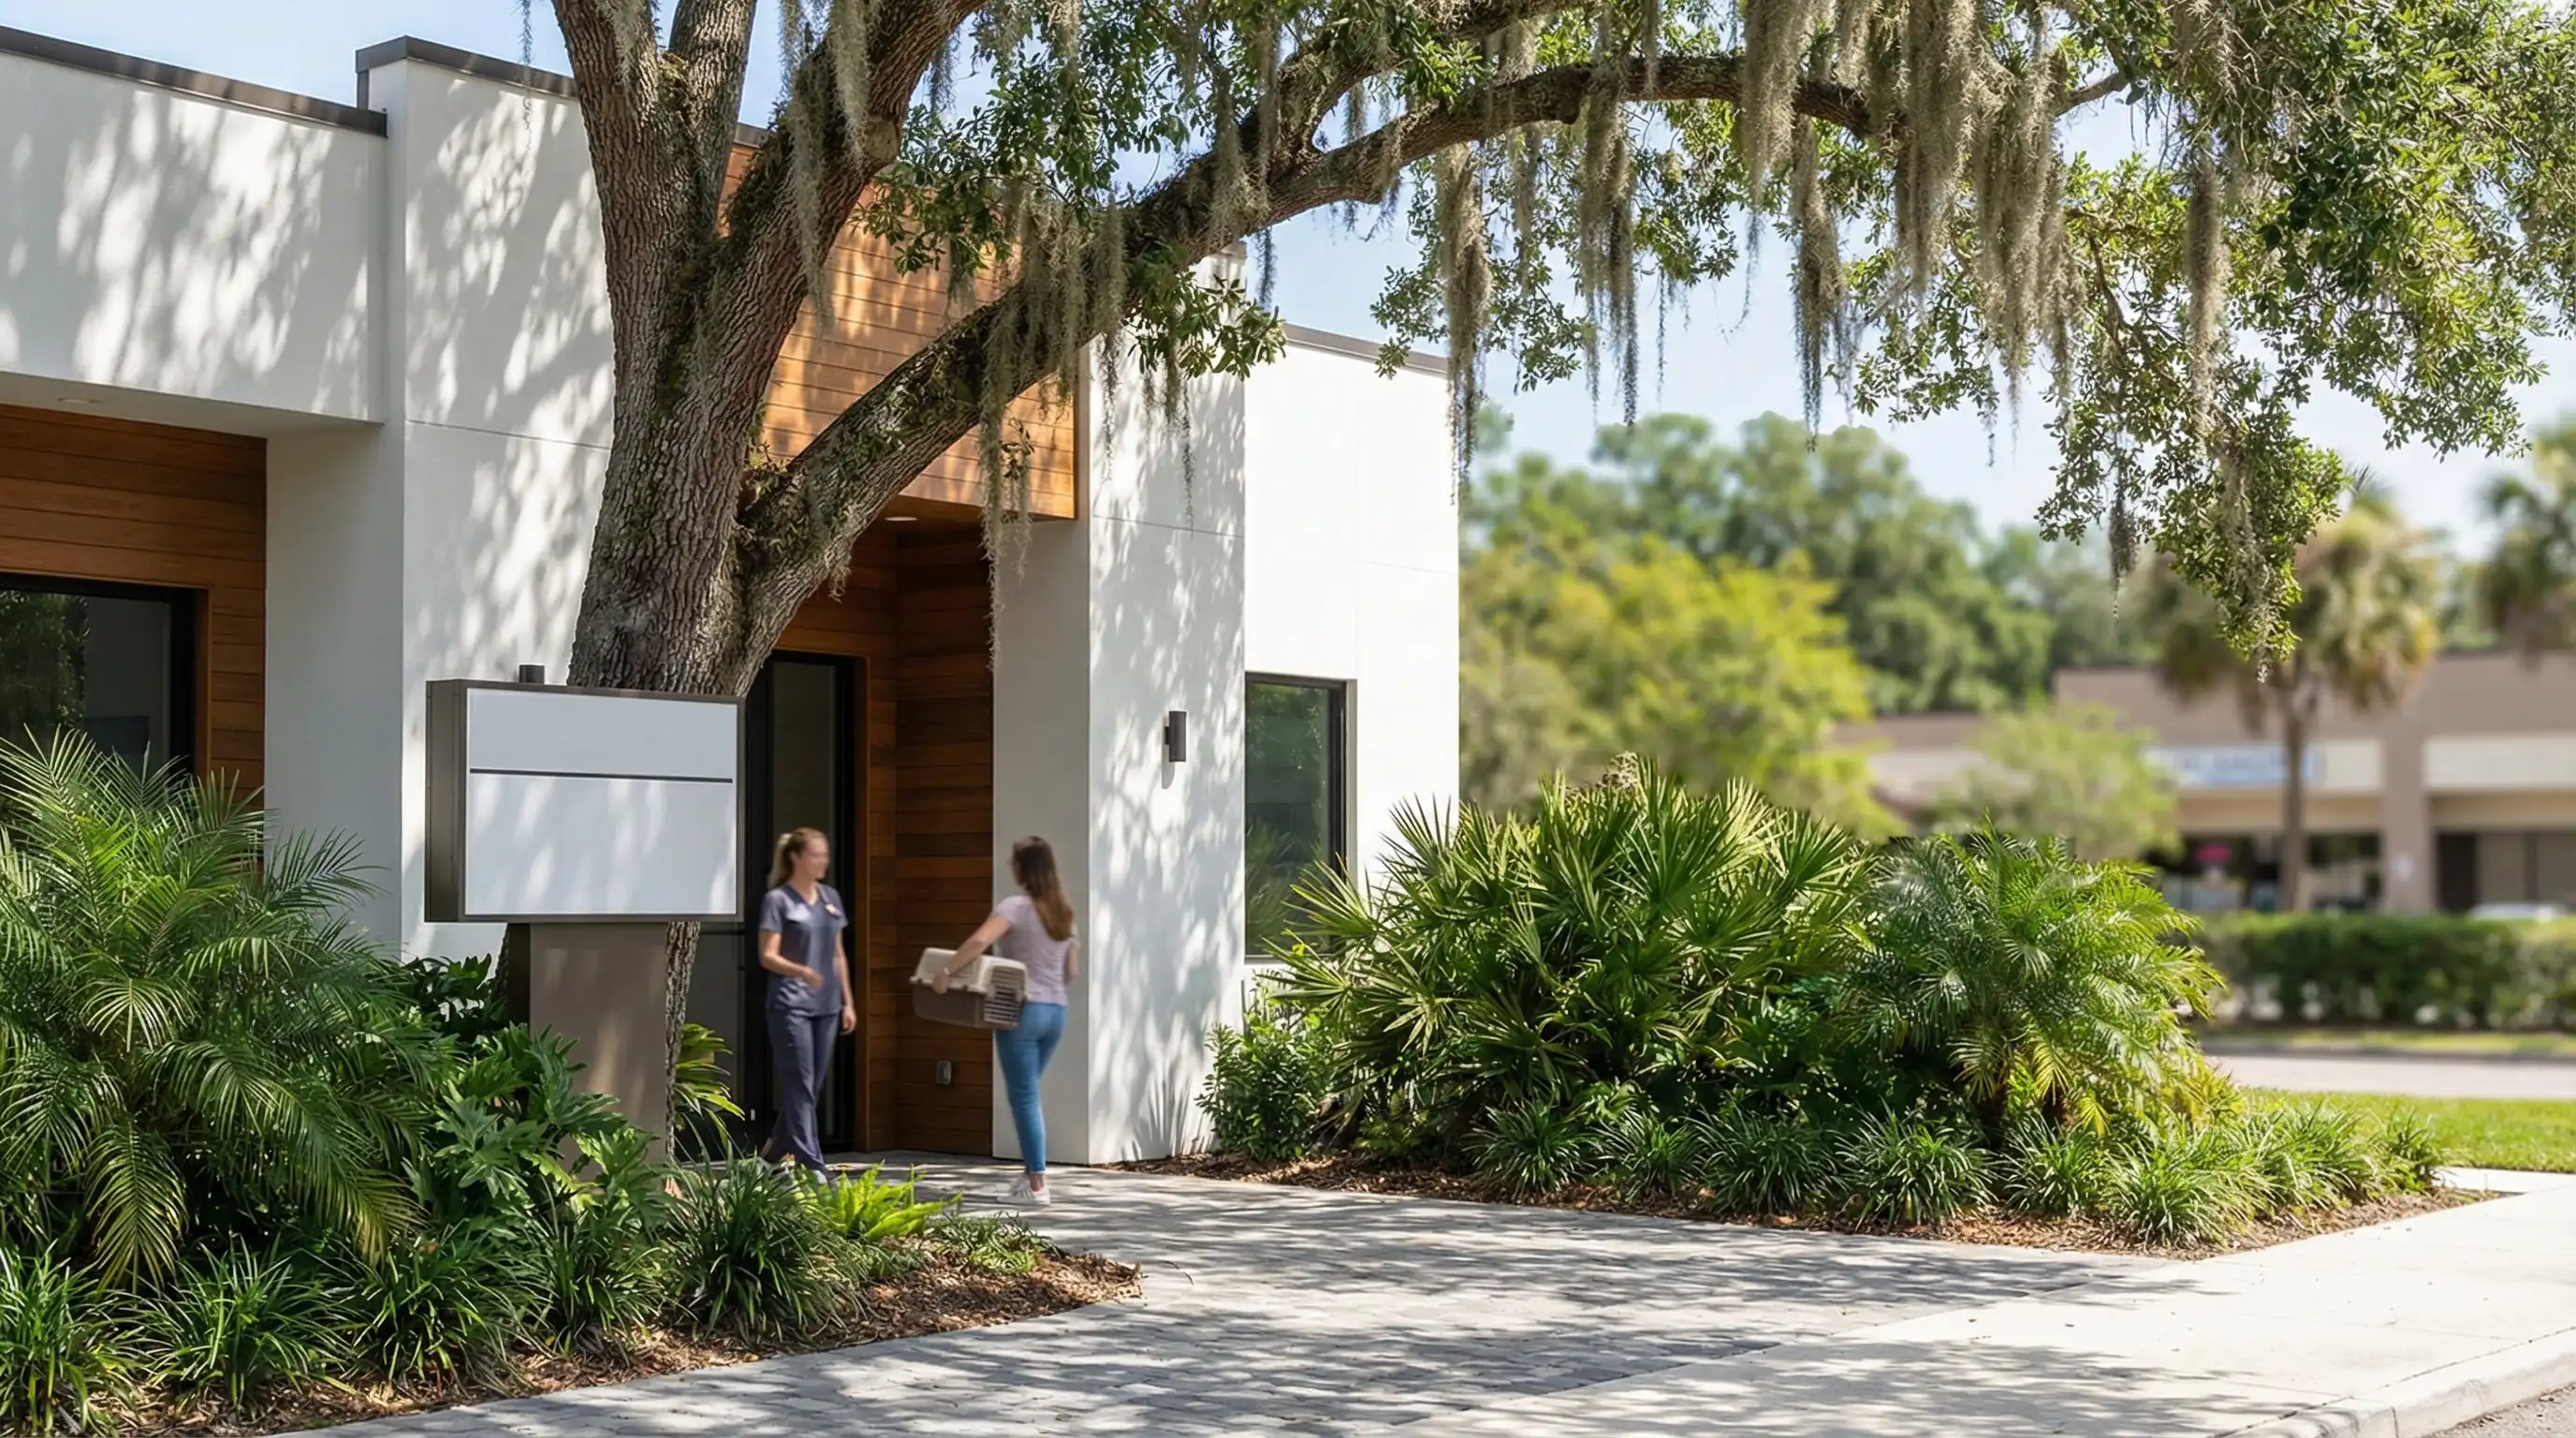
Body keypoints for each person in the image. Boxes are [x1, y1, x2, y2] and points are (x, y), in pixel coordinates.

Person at [935, 836, 1077, 1206]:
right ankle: (1031, 1178)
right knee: (1027, 1093)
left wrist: (947, 971)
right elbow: (1071, 972)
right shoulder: (1064, 912)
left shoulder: (1015, 907)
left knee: (1024, 1096)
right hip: (1056, 1014)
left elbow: (980, 941)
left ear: (1022, 869)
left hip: (1022, 1010)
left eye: (1013, 863)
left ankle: (1036, 1184)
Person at [756, 827, 856, 1176]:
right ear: (797, 858)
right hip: (790, 1005)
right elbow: (767, 956)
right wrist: (802, 972)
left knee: (809, 1087)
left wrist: (848, 1002)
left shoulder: (830, 897)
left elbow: (838, 954)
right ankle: (813, 1166)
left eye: (825, 854)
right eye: (816, 854)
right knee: (799, 1085)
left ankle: (768, 1160)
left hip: (827, 1006)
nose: (823, 861)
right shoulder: (778, 900)